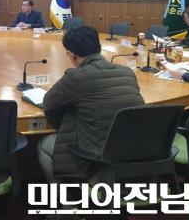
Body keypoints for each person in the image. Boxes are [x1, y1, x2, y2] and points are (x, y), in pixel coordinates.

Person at [37, 26, 144, 183]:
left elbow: (49, 106)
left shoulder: (75, 76)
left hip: (101, 164)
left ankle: (68, 196)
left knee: (44, 145)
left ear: (72, 55)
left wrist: (66, 123)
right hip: (139, 156)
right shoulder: (127, 72)